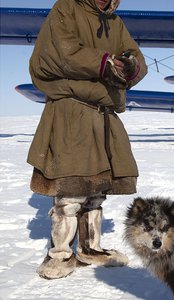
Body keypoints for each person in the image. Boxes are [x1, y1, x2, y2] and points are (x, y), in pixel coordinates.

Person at [27, 0, 147, 279]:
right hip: (71, 109)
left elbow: (135, 56)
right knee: (70, 189)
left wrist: (129, 64)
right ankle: (60, 255)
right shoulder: (66, 8)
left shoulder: (114, 22)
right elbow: (61, 53)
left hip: (103, 113)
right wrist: (104, 63)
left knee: (96, 191)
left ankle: (90, 249)